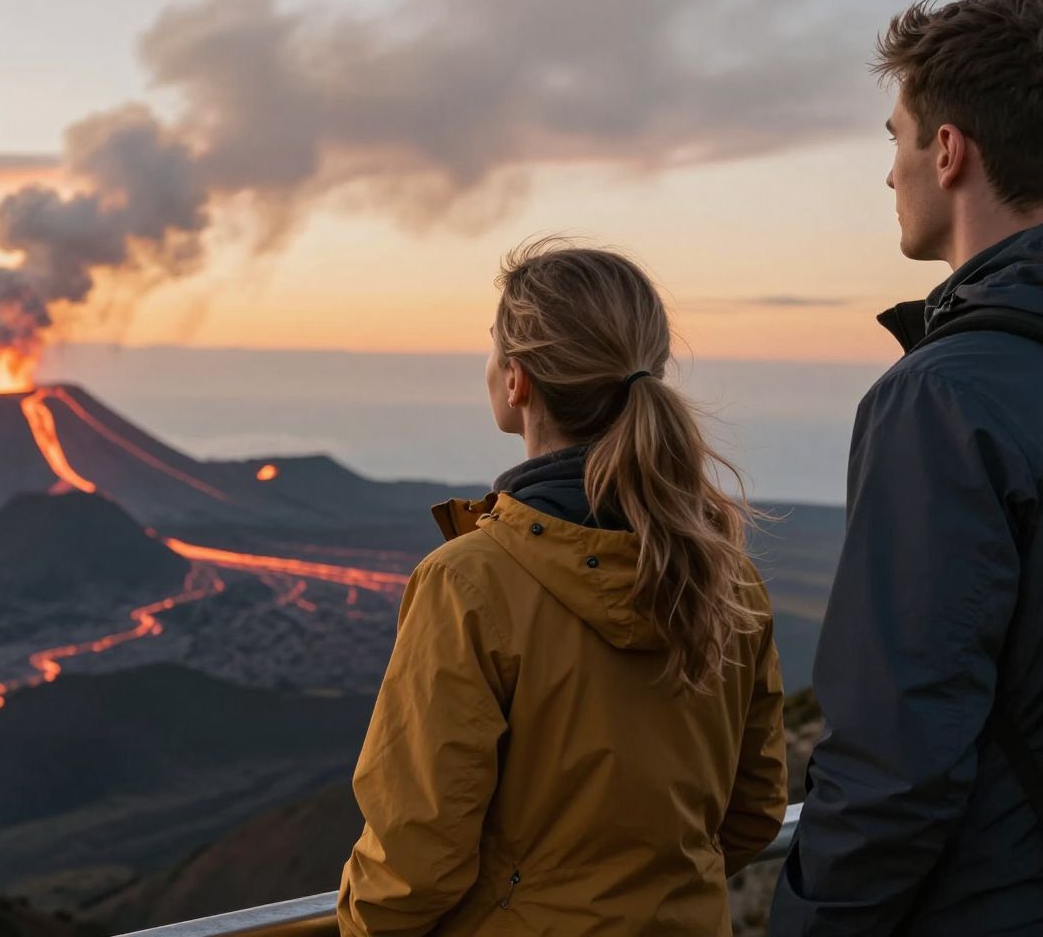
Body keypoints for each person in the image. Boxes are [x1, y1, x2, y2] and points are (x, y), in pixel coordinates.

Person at [770, 0, 1043, 935]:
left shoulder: (947, 397)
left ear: (949, 151)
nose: (890, 175)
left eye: (896, 139)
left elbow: (893, 757)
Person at [337, 242, 788, 935]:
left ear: (516, 380)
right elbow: (754, 810)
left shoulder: (469, 583)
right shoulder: (728, 578)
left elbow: (414, 861)